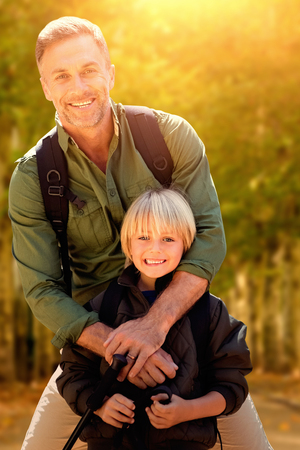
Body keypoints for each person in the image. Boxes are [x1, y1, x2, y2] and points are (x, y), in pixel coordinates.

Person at [8, 16, 272, 450]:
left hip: (187, 332)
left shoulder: (170, 138)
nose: (79, 86)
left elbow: (209, 238)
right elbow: (42, 291)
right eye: (62, 75)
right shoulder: (33, 177)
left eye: (89, 69)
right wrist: (117, 345)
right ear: (46, 87)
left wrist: (154, 327)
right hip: (93, 351)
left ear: (110, 72)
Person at [57, 187, 252, 450]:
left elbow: (232, 384)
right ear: (128, 245)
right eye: (144, 237)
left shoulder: (209, 310)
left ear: (187, 244)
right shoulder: (104, 305)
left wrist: (188, 411)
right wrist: (101, 406)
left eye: (168, 239)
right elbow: (73, 373)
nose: (155, 249)